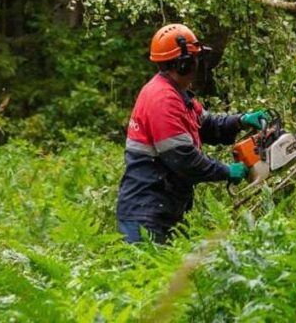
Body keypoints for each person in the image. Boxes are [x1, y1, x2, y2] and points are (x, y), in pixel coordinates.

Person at [116, 23, 270, 244]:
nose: (198, 65)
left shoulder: (176, 95)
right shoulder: (163, 99)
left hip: (163, 207)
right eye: (195, 59)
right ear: (183, 64)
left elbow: (207, 124)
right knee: (146, 276)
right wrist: (226, 171)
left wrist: (240, 120)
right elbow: (183, 159)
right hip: (146, 211)